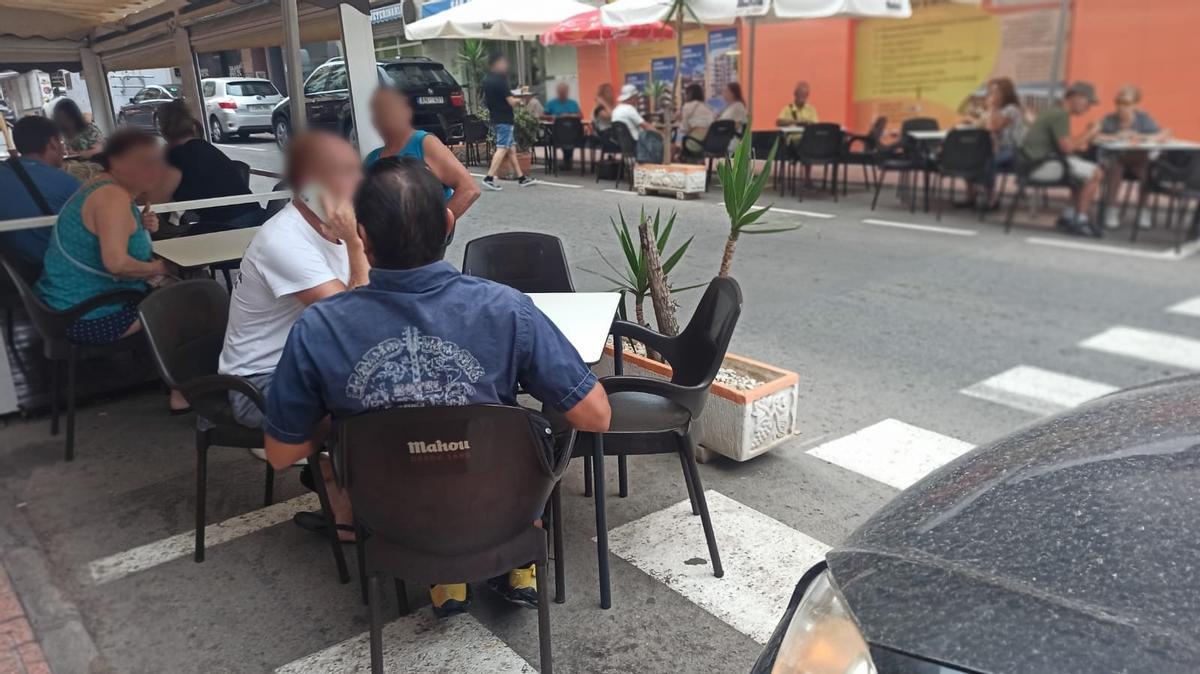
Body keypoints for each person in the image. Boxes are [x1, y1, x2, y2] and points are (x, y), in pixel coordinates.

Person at [262, 156, 612, 618]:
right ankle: (518, 556)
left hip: (392, 522)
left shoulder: (319, 328)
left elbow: (281, 454)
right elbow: (597, 416)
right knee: (547, 421)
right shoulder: (507, 310)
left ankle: (444, 579)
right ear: (448, 223)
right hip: (500, 509)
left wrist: (342, 420)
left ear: (361, 236)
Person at [218, 130, 370, 435]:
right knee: (371, 404)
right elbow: (351, 322)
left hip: (312, 363)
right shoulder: (284, 240)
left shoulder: (334, 229)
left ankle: (338, 470)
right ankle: (331, 473)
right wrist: (355, 242)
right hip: (260, 384)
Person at [363, 87, 479, 221]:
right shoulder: (372, 159)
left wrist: (436, 229)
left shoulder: (424, 143)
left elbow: (469, 189)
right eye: (379, 113)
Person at [150, 100, 266, 230]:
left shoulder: (177, 156)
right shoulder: (205, 147)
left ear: (164, 130)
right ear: (192, 126)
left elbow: (155, 202)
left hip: (227, 225)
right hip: (256, 216)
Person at [1019, 81, 1105, 237]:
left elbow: (1066, 144)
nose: (1089, 107)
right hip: (1039, 166)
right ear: (1077, 97)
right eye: (1088, 102)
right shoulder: (1060, 115)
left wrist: (1083, 137)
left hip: (1031, 163)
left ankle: (1068, 216)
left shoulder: (1053, 111)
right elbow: (1067, 148)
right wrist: (1090, 133)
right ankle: (1081, 220)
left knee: (1081, 172)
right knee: (1096, 173)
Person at [0, 116, 81, 267]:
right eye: (61, 141)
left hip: (12, 275)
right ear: (53, 143)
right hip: (55, 270)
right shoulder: (67, 184)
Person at [1096, 85, 1166, 230]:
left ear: (1135, 105)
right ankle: (1111, 209)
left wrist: (1139, 136)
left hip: (1138, 161)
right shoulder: (1110, 119)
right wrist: (1114, 136)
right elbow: (1094, 134)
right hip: (1116, 159)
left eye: (1127, 104)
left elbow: (1163, 134)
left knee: (1148, 169)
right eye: (1119, 103)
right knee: (1115, 166)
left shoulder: (1143, 118)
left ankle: (1143, 210)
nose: (1122, 107)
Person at [481, 54, 538, 191]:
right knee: (502, 148)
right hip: (505, 119)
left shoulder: (487, 80)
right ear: (497, 64)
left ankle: (521, 178)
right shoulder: (501, 81)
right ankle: (489, 177)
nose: (505, 65)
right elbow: (511, 101)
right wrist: (521, 100)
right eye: (503, 62)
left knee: (511, 149)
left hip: (495, 117)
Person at [970, 77, 1025, 209]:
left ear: (1005, 93)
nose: (992, 95)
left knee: (989, 161)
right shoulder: (995, 110)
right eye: (990, 92)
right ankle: (971, 195)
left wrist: (992, 108)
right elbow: (983, 126)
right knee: (971, 158)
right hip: (994, 148)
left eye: (995, 92)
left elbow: (993, 127)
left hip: (1011, 150)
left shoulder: (1011, 109)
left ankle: (991, 198)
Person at [612, 85, 664, 163]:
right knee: (667, 146)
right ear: (632, 97)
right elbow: (645, 126)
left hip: (623, 147)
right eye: (636, 97)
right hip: (637, 146)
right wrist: (661, 135)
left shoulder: (615, 110)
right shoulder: (629, 109)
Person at [544, 82, 582, 170]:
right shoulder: (551, 103)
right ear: (557, 92)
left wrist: (572, 116)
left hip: (572, 132)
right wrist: (554, 117)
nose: (562, 93)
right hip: (557, 132)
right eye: (561, 92)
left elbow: (580, 116)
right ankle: (567, 160)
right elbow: (543, 116)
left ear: (567, 92)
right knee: (563, 136)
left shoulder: (573, 103)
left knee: (570, 136)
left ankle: (567, 160)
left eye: (564, 92)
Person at [678, 83, 715, 159]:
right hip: (710, 141)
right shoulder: (708, 107)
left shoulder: (687, 106)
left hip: (695, 142)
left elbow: (685, 129)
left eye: (686, 94)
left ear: (689, 94)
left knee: (675, 143)